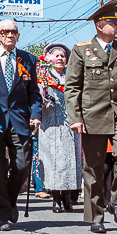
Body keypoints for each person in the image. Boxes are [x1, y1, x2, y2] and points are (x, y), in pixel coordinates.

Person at [65, 0, 117, 233]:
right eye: (114, 23)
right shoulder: (81, 51)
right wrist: (75, 118)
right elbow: (72, 87)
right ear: (100, 25)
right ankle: (95, 217)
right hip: (92, 116)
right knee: (94, 167)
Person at [0, 19, 41, 230]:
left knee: (22, 165)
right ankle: (2, 213)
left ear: (18, 35)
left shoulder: (28, 59)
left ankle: (10, 200)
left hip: (20, 119)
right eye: (5, 31)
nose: (10, 35)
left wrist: (36, 114)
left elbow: (34, 92)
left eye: (14, 32)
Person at [36, 43, 82, 213]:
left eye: (62, 56)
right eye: (57, 55)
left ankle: (68, 198)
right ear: (49, 59)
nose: (60, 58)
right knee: (53, 162)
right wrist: (45, 92)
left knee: (70, 161)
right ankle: (56, 198)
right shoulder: (43, 78)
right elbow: (38, 103)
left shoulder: (72, 77)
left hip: (70, 124)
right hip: (51, 125)